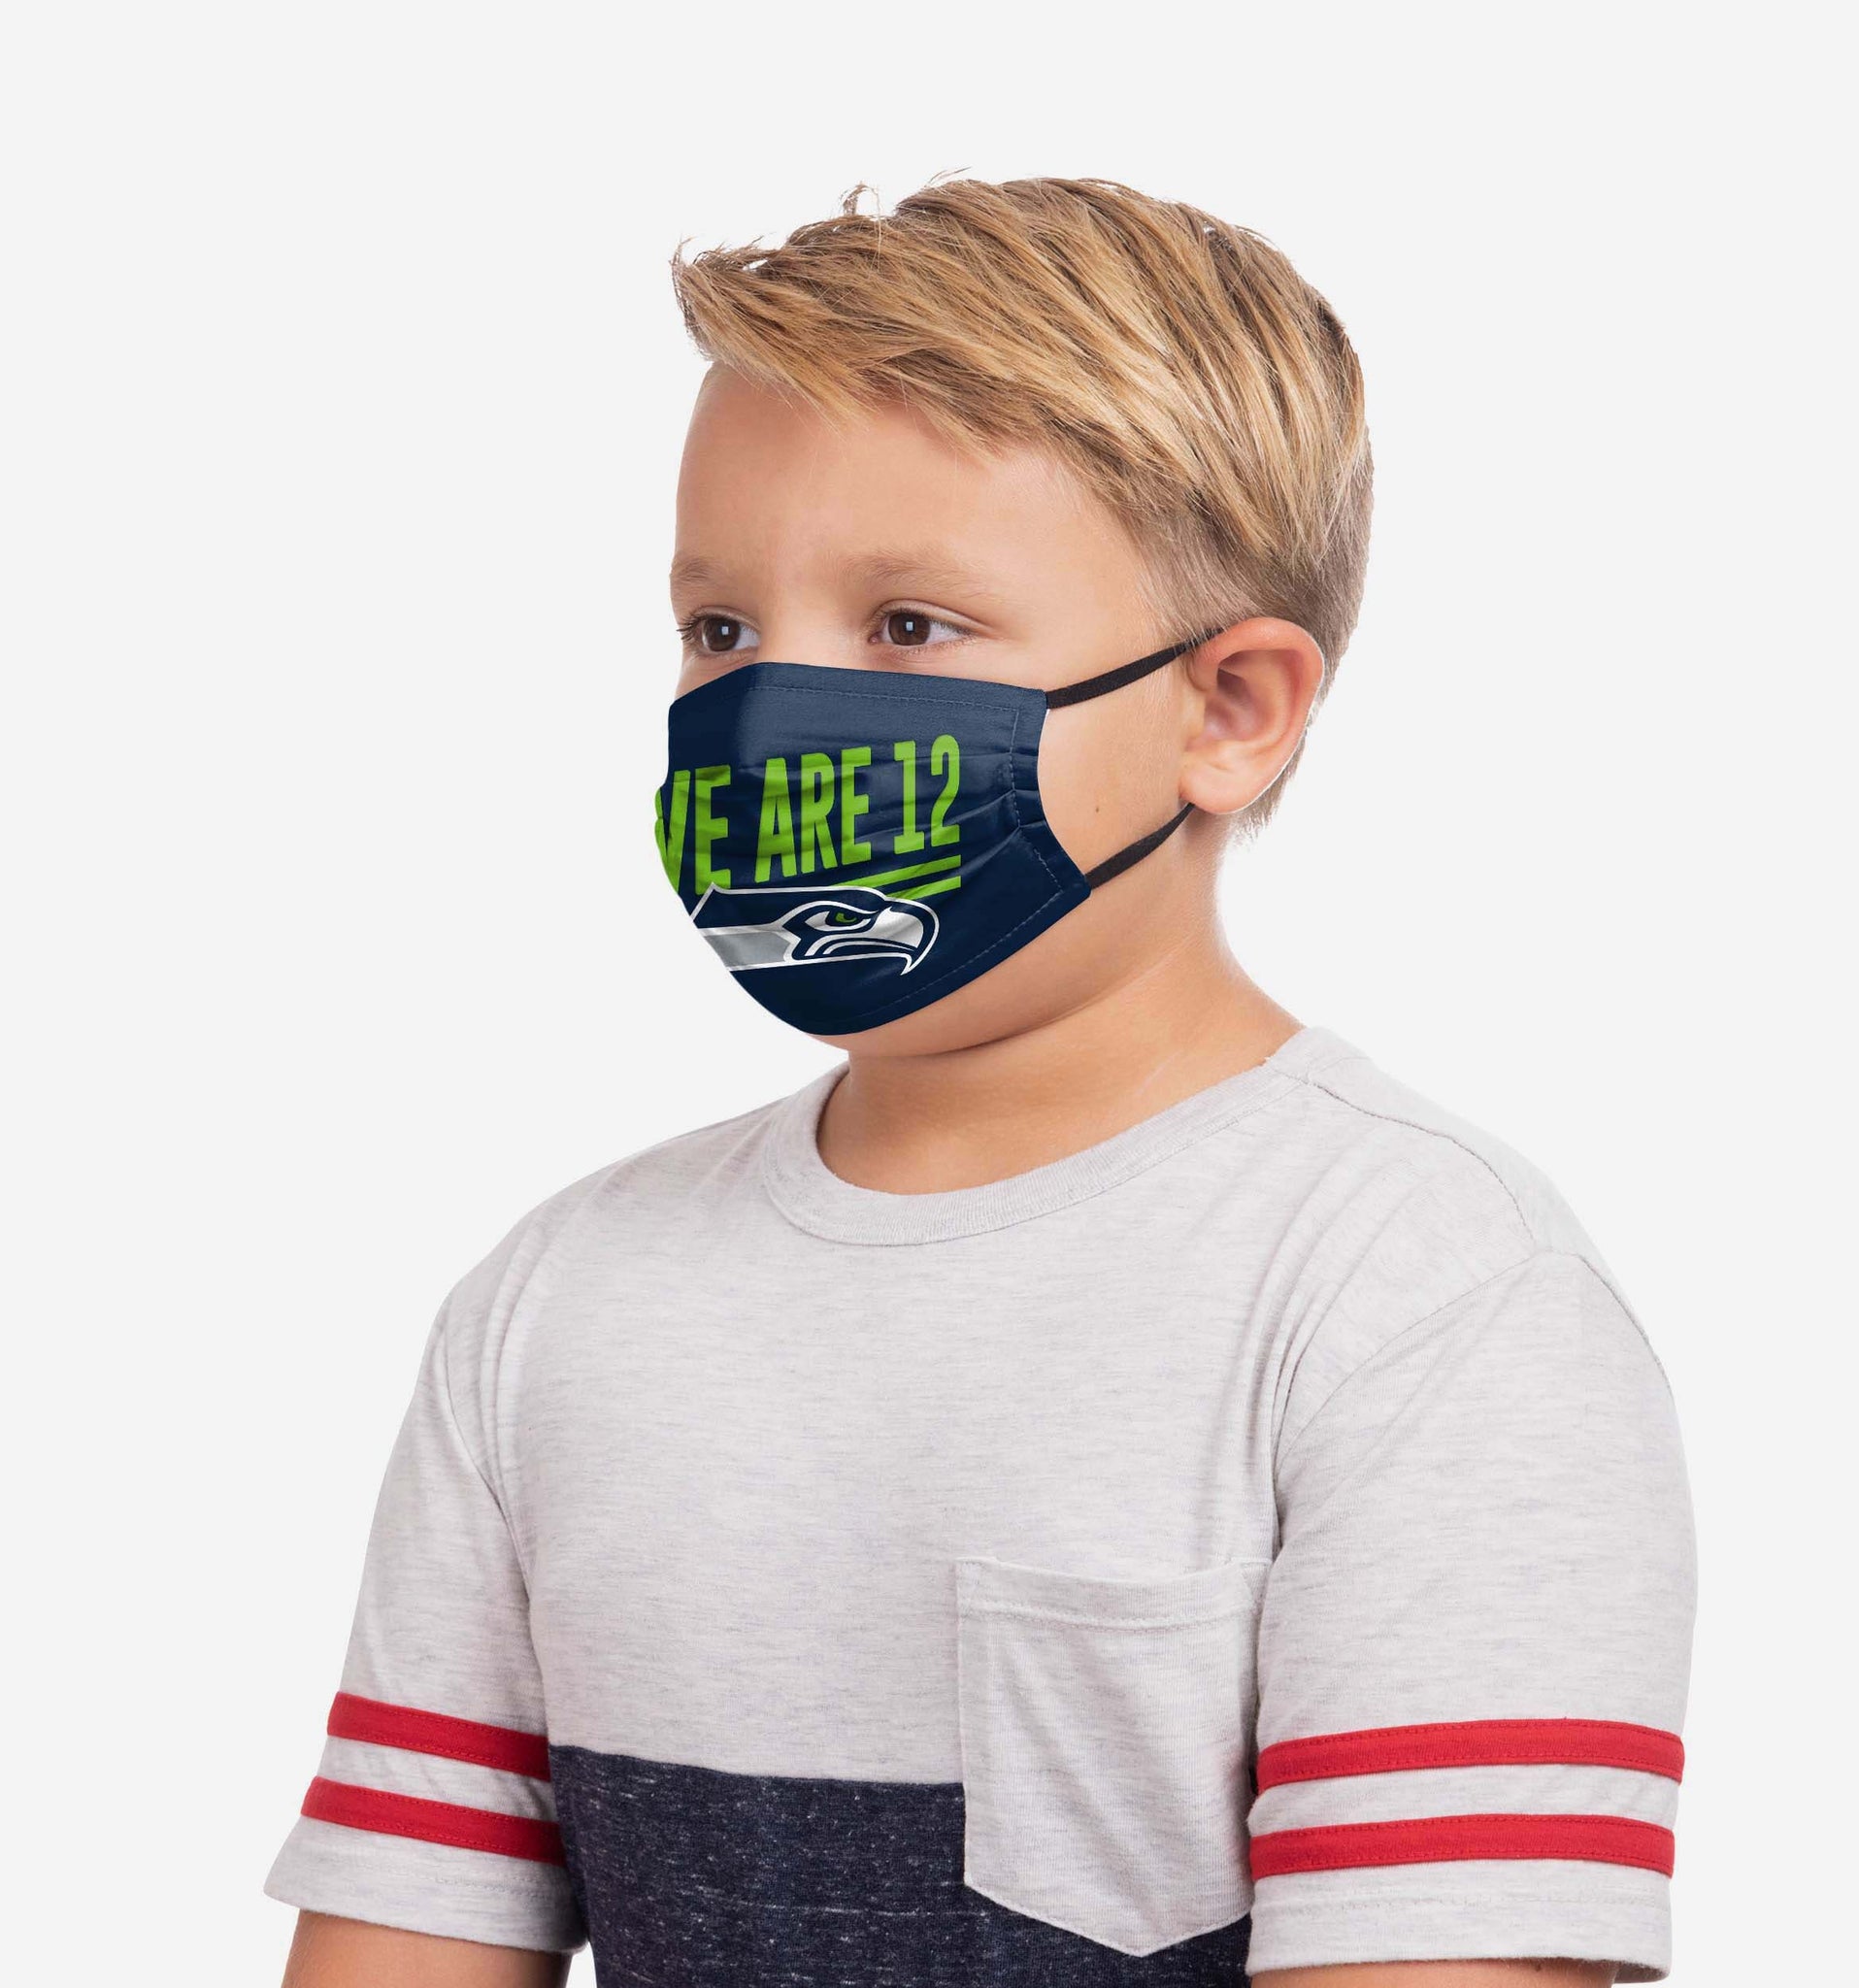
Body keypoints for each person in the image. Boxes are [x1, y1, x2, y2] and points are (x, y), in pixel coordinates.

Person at [268, 177, 1695, 1988]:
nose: (771, 717)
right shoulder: (558, 1301)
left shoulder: (1418, 1298)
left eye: (911, 627)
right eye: (721, 631)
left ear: (1230, 709)